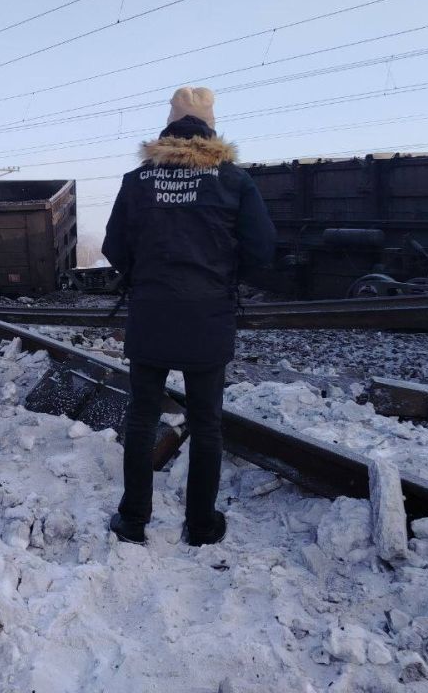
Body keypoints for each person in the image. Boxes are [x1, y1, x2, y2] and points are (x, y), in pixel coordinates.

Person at [101, 86, 276, 547]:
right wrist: (223, 277)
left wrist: (146, 276)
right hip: (208, 317)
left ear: (170, 126)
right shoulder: (235, 181)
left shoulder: (137, 180)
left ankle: (133, 520)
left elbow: (112, 248)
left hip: (151, 315)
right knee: (207, 424)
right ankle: (200, 525)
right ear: (211, 128)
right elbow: (262, 249)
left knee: (140, 419)